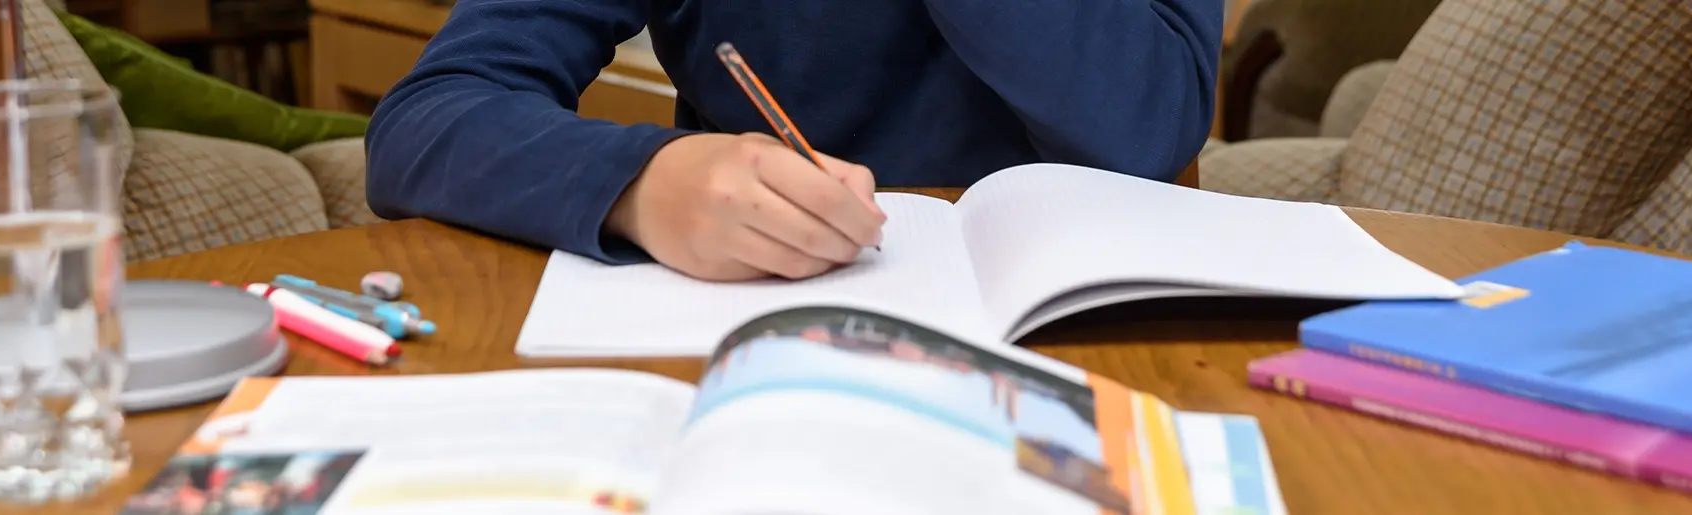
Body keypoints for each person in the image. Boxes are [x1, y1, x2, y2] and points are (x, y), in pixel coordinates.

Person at [366, 0, 1224, 282]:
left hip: (1080, 325)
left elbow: (1144, 128)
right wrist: (640, 184)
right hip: (769, 309)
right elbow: (427, 120)